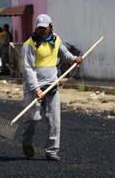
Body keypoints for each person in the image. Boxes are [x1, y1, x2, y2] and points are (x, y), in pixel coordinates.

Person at [20, 14, 83, 161]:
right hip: (33, 87)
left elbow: (65, 53)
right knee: (32, 117)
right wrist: (36, 89)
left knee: (55, 119)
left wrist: (74, 59)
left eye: (45, 28)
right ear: (37, 27)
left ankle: (51, 151)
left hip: (52, 84)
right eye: (40, 28)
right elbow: (28, 69)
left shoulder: (56, 39)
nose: (42, 31)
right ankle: (26, 141)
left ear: (50, 27)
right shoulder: (29, 45)